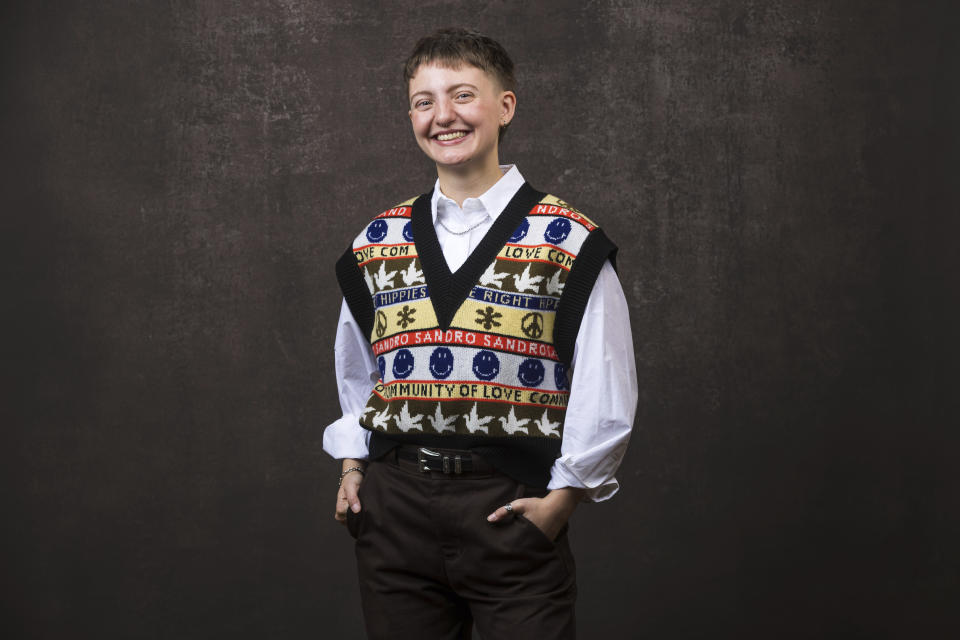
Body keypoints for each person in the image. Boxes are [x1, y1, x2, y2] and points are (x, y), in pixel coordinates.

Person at [323, 27, 637, 639]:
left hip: (509, 506)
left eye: (463, 95)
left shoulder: (568, 242)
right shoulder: (377, 243)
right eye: (424, 100)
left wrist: (562, 501)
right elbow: (360, 371)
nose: (443, 116)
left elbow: (605, 382)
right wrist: (352, 467)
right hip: (395, 513)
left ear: (505, 105)